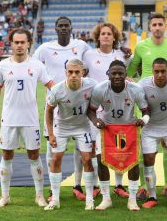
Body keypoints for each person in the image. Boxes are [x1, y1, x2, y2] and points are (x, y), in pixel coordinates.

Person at [32, 16, 97, 201]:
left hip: (78, 103)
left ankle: (78, 185)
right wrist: (51, 84)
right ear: (55, 28)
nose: (63, 28)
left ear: (71, 28)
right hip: (56, 101)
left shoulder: (82, 46)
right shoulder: (44, 48)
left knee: (80, 148)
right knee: (52, 148)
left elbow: (91, 63)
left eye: (66, 26)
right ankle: (53, 190)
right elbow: (35, 67)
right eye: (60, 26)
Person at [0, 28, 53, 207]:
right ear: (11, 44)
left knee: (34, 155)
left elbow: (50, 84)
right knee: (6, 155)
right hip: (9, 119)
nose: (20, 45)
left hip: (30, 119)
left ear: (29, 43)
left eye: (23, 42)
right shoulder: (3, 66)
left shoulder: (37, 65)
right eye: (16, 42)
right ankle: (5, 196)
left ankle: (39, 195)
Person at [127, 13, 167, 200]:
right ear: (150, 28)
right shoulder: (141, 46)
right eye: (154, 25)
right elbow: (130, 72)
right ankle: (143, 185)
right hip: (146, 101)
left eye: (160, 24)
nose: (157, 27)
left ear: (165, 26)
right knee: (144, 144)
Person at [87, 60, 149, 211]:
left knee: (133, 161)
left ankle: (132, 200)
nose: (117, 76)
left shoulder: (135, 89)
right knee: (101, 161)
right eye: (113, 73)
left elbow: (146, 110)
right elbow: (91, 110)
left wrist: (144, 119)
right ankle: (106, 198)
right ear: (108, 74)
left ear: (126, 74)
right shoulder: (100, 89)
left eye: (120, 73)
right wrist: (96, 121)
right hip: (107, 129)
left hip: (128, 129)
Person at [83, 23, 131, 198]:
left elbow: (129, 76)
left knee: (118, 147)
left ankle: (119, 185)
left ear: (114, 37)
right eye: (102, 33)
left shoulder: (121, 55)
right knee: (95, 147)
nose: (105, 36)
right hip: (94, 107)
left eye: (109, 34)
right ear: (98, 36)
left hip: (117, 107)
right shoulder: (88, 55)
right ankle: (96, 185)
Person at [44, 59, 97, 211]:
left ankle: (89, 199)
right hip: (62, 127)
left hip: (82, 126)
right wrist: (51, 133)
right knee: (56, 158)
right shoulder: (57, 90)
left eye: (77, 72)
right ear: (66, 73)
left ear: (82, 72)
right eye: (70, 72)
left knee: (87, 159)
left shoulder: (91, 85)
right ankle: (55, 199)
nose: (73, 75)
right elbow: (48, 111)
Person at [138, 58, 167, 209]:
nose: (159, 75)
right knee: (148, 160)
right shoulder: (143, 84)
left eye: (163, 71)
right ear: (152, 71)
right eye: (156, 71)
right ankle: (152, 197)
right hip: (151, 128)